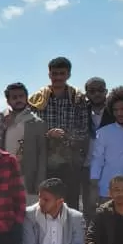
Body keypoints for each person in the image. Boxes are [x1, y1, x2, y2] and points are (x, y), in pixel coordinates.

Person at [28, 57, 89, 209]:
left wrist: (66, 135)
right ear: (49, 74)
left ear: (68, 75)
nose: (58, 77)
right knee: (47, 202)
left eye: (62, 73)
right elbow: (30, 130)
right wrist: (47, 134)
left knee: (71, 203)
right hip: (45, 161)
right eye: (55, 73)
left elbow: (84, 129)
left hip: (70, 161)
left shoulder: (78, 98)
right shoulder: (38, 99)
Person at [90, 86, 123, 207]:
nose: (119, 113)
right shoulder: (104, 132)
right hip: (107, 190)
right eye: (116, 110)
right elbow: (97, 159)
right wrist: (94, 186)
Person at [3, 82, 48, 206]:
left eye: (21, 96)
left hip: (28, 176)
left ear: (26, 97)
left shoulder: (37, 123)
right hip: (5, 175)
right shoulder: (2, 120)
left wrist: (40, 181)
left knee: (29, 214)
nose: (18, 100)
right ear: (8, 100)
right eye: (14, 97)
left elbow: (42, 155)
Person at [82, 78, 114, 210]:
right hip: (86, 166)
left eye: (100, 90)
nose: (97, 94)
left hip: (109, 166)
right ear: (87, 94)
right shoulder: (80, 112)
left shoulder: (115, 112)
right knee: (89, 206)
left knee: (110, 205)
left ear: (106, 92)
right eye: (92, 91)